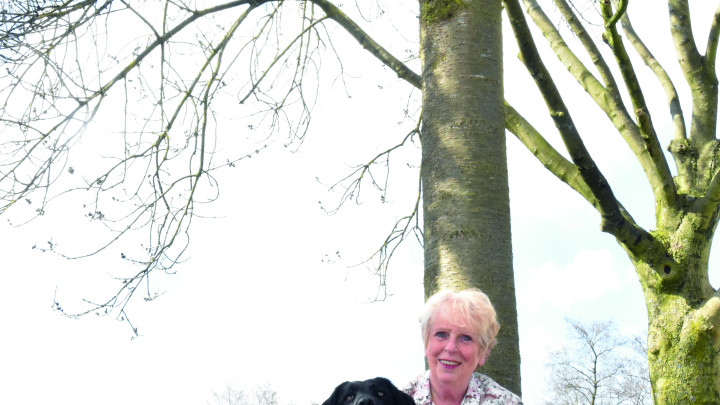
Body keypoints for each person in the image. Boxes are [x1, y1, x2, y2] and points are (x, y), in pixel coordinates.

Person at [404, 288, 523, 405]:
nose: (450, 348)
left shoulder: (507, 402)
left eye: (465, 338)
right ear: (426, 344)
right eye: (441, 334)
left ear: (483, 352)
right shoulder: (397, 399)